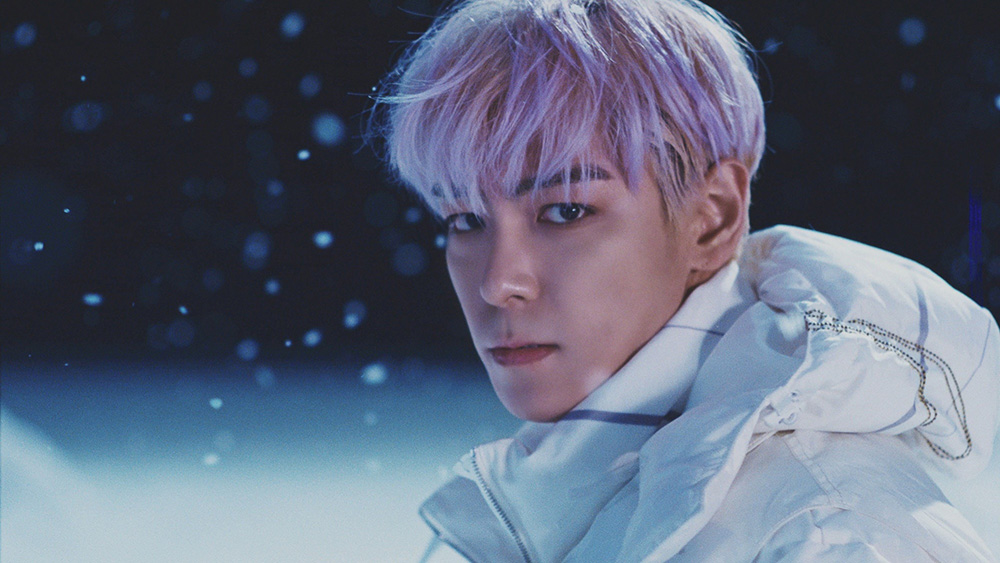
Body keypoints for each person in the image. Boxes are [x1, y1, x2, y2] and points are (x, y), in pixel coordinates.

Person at [368, 0, 1000, 560]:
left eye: (565, 211)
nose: (499, 282)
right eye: (465, 219)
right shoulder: (571, 504)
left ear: (711, 217)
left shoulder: (828, 535)